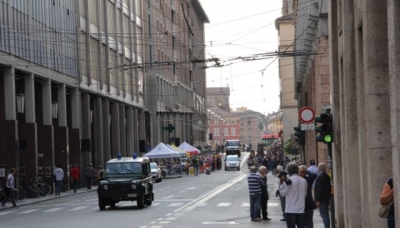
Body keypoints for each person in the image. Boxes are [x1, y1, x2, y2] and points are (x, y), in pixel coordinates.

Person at [279, 162, 307, 228]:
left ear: (288, 171)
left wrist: (281, 183)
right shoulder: (304, 181)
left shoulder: (287, 181)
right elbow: (305, 194)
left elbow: (282, 194)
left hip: (290, 209)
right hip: (301, 209)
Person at [314, 163, 331, 228]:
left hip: (322, 199)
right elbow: (328, 188)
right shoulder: (327, 176)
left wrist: (317, 199)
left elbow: (319, 189)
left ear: (318, 169)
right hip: (326, 198)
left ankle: (327, 226)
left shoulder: (319, 177)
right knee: (325, 213)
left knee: (323, 214)